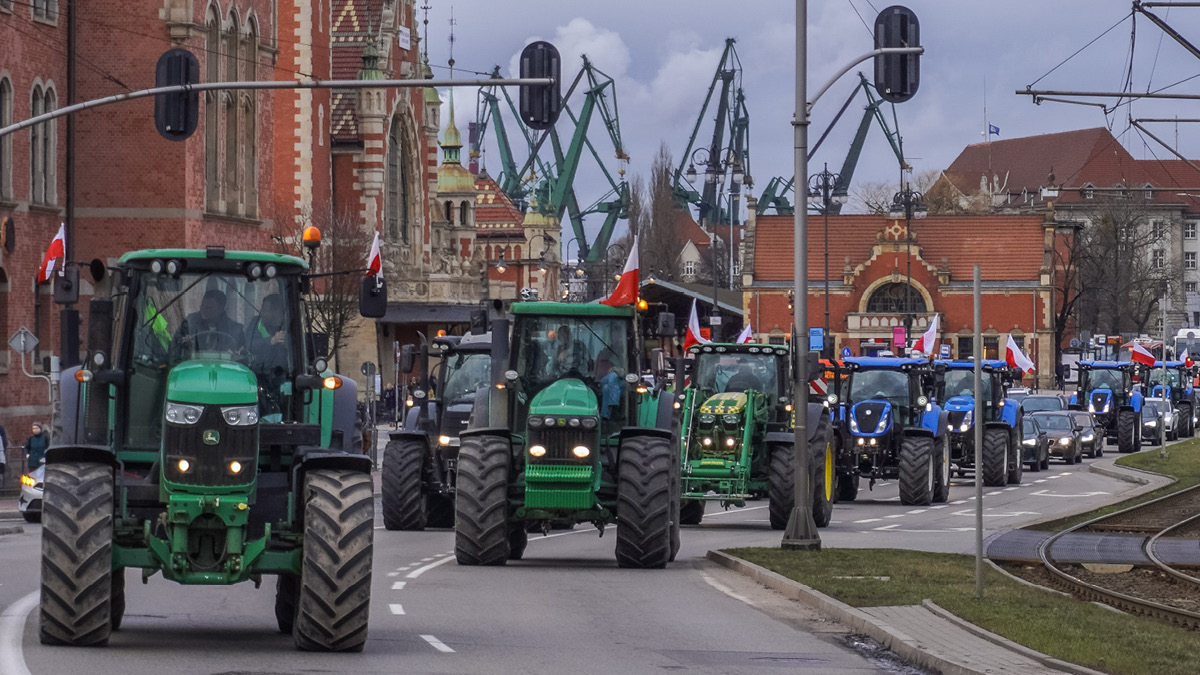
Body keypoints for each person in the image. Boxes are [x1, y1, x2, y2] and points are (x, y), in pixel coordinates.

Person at [178, 289, 245, 353]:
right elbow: (176, 344)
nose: (204, 310)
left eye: (209, 307)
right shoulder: (190, 322)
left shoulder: (236, 330)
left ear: (221, 308)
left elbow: (241, 354)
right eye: (202, 306)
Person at [245, 293, 288, 375]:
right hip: (259, 372)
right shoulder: (256, 323)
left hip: (284, 375)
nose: (261, 313)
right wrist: (271, 341)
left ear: (276, 312)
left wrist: (287, 345)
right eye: (262, 309)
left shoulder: (290, 326)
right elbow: (250, 345)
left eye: (265, 310)